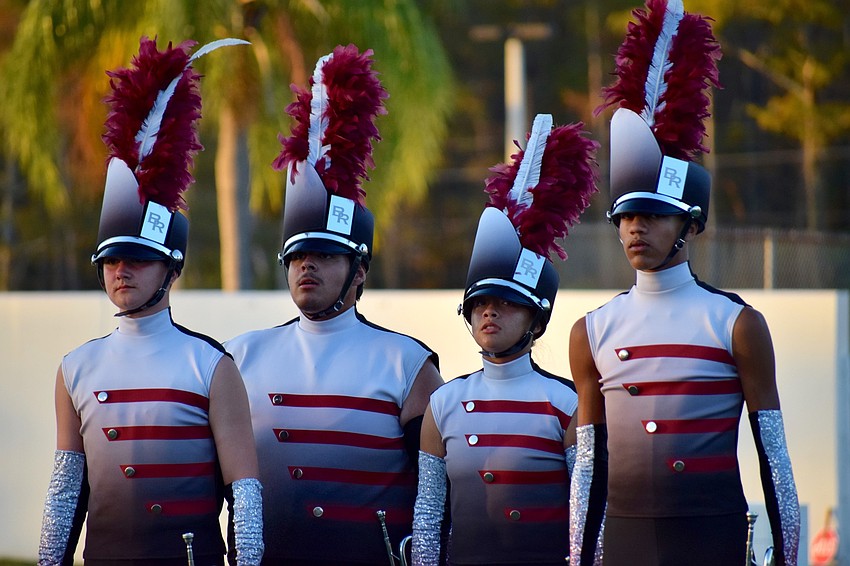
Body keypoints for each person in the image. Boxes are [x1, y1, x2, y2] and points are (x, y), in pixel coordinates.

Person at [568, 1, 801, 565]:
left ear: (691, 223)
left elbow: (774, 458)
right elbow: (589, 466)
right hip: (623, 542)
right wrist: (579, 556)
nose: (635, 228)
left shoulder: (736, 324)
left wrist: (788, 554)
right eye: (624, 217)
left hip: (711, 539)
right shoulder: (591, 331)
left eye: (653, 215)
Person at [36, 37, 263, 566]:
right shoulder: (75, 368)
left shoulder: (210, 364)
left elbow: (245, 494)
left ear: (172, 269)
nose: (122, 270)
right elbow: (67, 493)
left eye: (138, 259)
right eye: (112, 260)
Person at [225, 44, 444, 565]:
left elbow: (439, 499)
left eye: (324, 255)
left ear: (360, 272)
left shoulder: (409, 364)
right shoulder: (237, 358)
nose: (307, 267)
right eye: (298, 255)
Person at [411, 114, 599, 566]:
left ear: (537, 321)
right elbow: (427, 517)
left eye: (507, 303)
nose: (489, 311)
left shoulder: (567, 403)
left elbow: (586, 522)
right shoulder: (444, 404)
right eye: (479, 303)